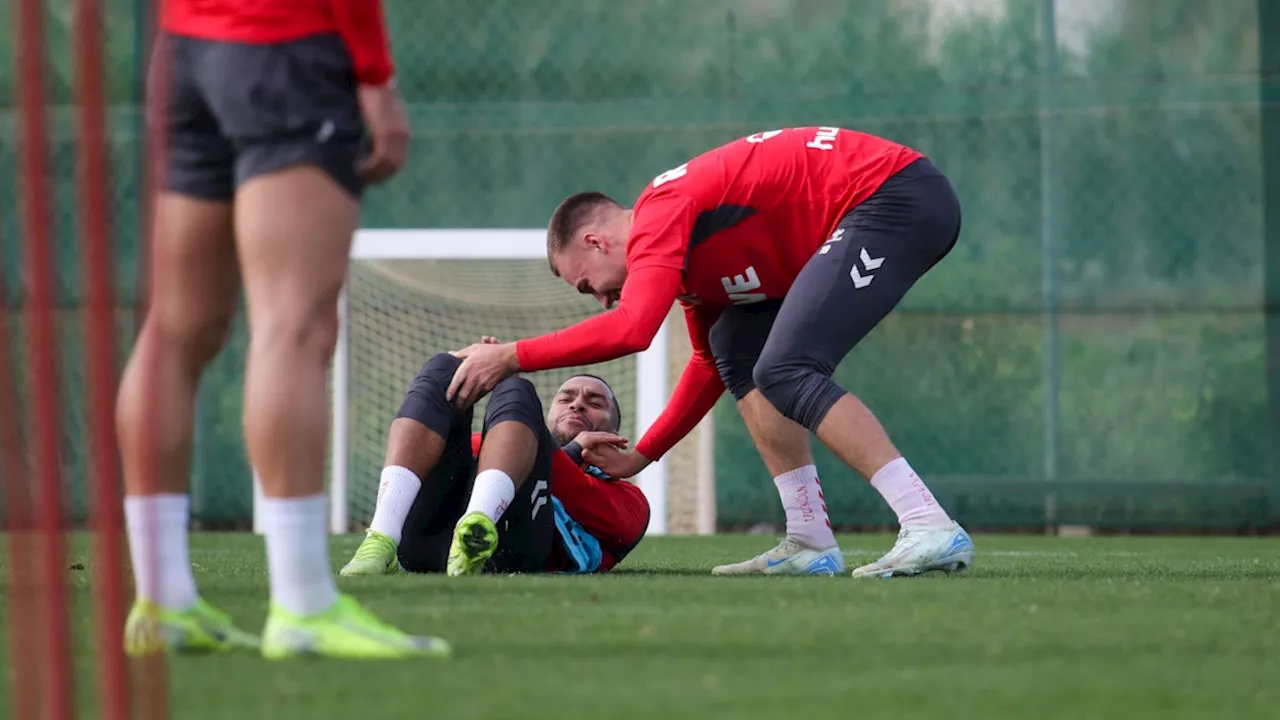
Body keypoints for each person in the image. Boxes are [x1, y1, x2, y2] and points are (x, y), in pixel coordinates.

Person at [446, 126, 975, 579]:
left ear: (595, 240)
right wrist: (642, 454)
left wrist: (511, 355)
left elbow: (632, 329)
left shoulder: (660, 211)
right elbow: (707, 366)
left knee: (787, 367)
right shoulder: (683, 265)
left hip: (894, 196)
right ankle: (810, 538)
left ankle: (927, 522)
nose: (602, 299)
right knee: (734, 346)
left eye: (588, 287)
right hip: (868, 210)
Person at [117, 0, 449, 659]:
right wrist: (377, 77)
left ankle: (162, 600)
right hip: (286, 45)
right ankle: (303, 604)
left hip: (185, 50)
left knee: (178, 328)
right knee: (293, 325)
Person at [340, 352, 649, 577]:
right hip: (427, 542)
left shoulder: (630, 500)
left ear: (615, 433)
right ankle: (380, 540)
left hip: (512, 552)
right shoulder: (497, 442)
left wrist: (564, 450)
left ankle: (478, 531)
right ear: (546, 417)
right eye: (565, 398)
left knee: (517, 389)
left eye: (594, 403)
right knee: (444, 367)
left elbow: (586, 498)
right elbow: (462, 454)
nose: (577, 403)